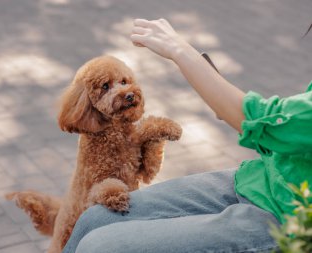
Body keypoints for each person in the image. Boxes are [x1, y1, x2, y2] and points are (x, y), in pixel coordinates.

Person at [61, 19, 312, 253]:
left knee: (99, 245)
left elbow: (261, 119)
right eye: (107, 87)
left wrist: (179, 49)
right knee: (93, 218)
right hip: (262, 176)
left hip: (289, 216)